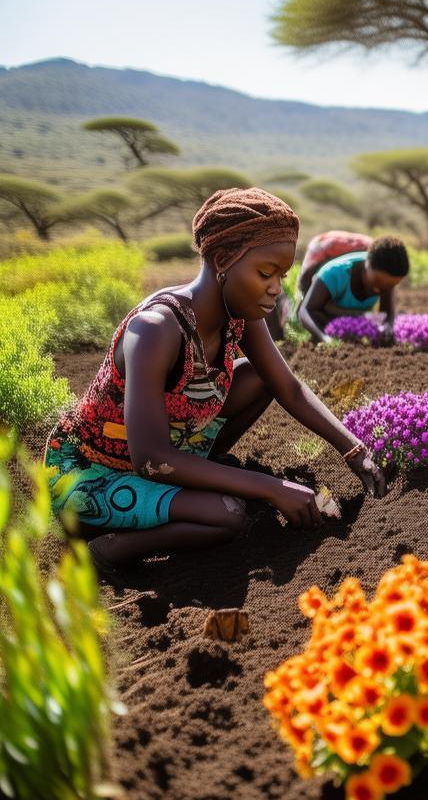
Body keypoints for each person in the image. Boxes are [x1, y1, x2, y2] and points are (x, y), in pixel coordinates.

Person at [44, 188, 387, 583]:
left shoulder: (238, 314)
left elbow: (288, 388)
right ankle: (107, 551)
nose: (276, 288)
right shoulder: (156, 329)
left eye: (281, 276)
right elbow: (152, 460)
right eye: (265, 274)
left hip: (170, 452)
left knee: (259, 377)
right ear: (223, 260)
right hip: (93, 472)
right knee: (226, 513)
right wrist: (271, 487)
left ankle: (199, 476)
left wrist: (353, 450)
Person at [298, 236, 409, 344]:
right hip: (321, 303)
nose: (381, 289)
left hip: (348, 313)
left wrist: (387, 327)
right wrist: (324, 337)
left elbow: (387, 314)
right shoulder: (335, 273)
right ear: (367, 264)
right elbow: (305, 310)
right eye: (377, 280)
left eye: (391, 285)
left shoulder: (386, 279)